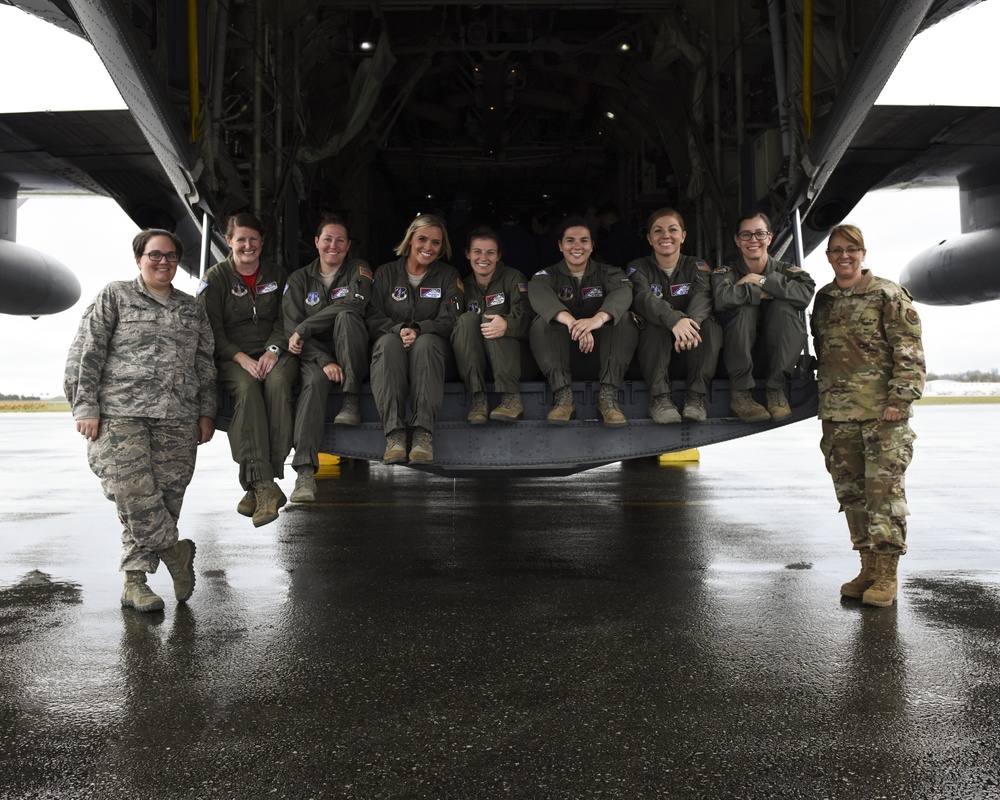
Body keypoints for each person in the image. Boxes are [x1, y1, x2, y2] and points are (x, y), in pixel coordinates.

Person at [64, 229, 216, 613]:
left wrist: (206, 411)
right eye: (154, 255)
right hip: (120, 414)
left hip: (177, 417)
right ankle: (174, 551)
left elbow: (205, 364)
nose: (163, 261)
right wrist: (84, 406)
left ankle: (135, 584)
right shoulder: (116, 295)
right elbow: (87, 352)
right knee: (132, 493)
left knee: (163, 500)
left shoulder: (192, 308)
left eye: (170, 256)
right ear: (139, 259)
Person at [811, 224, 925, 607]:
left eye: (851, 250)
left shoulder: (887, 293)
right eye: (836, 250)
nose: (844, 256)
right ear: (828, 256)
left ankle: (887, 575)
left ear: (863, 254)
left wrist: (901, 400)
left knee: (884, 494)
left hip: (882, 414)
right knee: (852, 493)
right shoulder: (824, 299)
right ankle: (868, 567)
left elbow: (908, 351)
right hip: (838, 415)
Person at [199, 212, 298, 527]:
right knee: (247, 390)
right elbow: (209, 330)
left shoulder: (279, 275)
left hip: (274, 350)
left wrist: (273, 349)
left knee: (279, 384)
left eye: (253, 238)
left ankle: (261, 480)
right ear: (229, 241)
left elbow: (288, 317)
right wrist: (239, 357)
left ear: (262, 241)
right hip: (232, 356)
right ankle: (264, 484)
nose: (247, 245)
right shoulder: (214, 279)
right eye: (240, 239)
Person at [283, 214, 373, 502]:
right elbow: (291, 332)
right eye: (328, 239)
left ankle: (351, 400)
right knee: (313, 387)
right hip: (315, 355)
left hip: (354, 349)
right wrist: (323, 361)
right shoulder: (299, 279)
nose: (333, 246)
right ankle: (305, 474)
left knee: (346, 315)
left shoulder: (359, 269)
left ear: (348, 246)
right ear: (316, 242)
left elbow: (353, 305)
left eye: (340, 240)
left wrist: (306, 327)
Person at [366, 213, 463, 464]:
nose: (428, 247)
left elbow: (451, 320)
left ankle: (422, 435)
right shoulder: (386, 273)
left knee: (426, 343)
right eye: (422, 239)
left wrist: (419, 328)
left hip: (433, 355)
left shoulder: (448, 275)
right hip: (392, 350)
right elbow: (371, 314)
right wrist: (398, 330)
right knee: (387, 343)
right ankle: (395, 435)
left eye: (436, 243)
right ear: (410, 240)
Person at [528, 216, 638, 427]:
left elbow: (623, 293)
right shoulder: (545, 276)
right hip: (562, 359)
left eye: (584, 240)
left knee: (624, 319)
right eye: (570, 240)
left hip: (603, 359)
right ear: (560, 245)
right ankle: (563, 397)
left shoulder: (610, 272)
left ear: (592, 245)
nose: (577, 246)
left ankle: (608, 397)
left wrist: (596, 320)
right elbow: (540, 297)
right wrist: (573, 323)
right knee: (542, 322)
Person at [712, 212, 816, 422]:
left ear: (770, 237)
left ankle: (775, 390)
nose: (753, 240)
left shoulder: (787, 270)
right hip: (736, 358)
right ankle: (741, 395)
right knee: (744, 309)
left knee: (782, 308)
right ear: (736, 240)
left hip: (775, 357)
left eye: (760, 234)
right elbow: (722, 298)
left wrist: (759, 282)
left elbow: (805, 294)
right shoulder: (725, 272)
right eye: (746, 235)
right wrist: (767, 293)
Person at [628, 208, 722, 423]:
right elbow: (642, 297)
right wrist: (674, 321)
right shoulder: (638, 267)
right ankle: (659, 399)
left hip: (690, 350)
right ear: (650, 239)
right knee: (653, 325)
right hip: (652, 357)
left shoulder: (697, 266)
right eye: (658, 231)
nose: (665, 236)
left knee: (710, 326)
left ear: (683, 236)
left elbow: (703, 296)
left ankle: (696, 397)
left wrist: (688, 326)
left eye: (672, 229)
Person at [452, 227, 533, 423]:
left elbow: (529, 317)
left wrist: (507, 324)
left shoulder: (513, 278)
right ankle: (478, 397)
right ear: (467, 254)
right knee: (466, 320)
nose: (483, 258)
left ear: (498, 256)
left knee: (494, 319)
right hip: (478, 364)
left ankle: (511, 398)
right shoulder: (463, 286)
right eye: (477, 252)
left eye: (490, 252)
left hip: (515, 364)